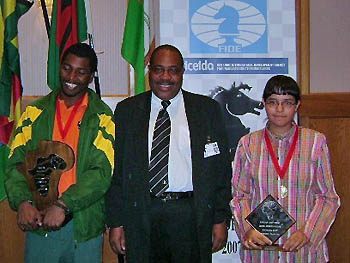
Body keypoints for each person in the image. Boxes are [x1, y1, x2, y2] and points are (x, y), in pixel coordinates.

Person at [106, 44, 232, 263]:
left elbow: (220, 171)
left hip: (189, 215)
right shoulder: (127, 111)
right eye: (158, 69)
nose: (165, 77)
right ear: (149, 71)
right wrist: (116, 222)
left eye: (173, 70)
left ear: (182, 72)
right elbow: (117, 172)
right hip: (142, 213)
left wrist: (220, 218)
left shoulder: (206, 110)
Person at [5, 43, 115, 263]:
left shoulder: (102, 116)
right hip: (40, 221)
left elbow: (101, 173)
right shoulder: (34, 113)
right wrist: (23, 202)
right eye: (66, 68)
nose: (71, 76)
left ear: (91, 76)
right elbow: (15, 163)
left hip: (83, 225)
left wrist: (64, 205)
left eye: (81, 72)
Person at [231, 75, 340, 263]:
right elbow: (240, 196)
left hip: (304, 252)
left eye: (287, 103)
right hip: (261, 252)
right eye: (273, 102)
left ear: (297, 105)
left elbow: (328, 198)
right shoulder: (248, 144)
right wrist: (247, 229)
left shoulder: (315, 143)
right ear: (264, 103)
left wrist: (308, 233)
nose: (279, 109)